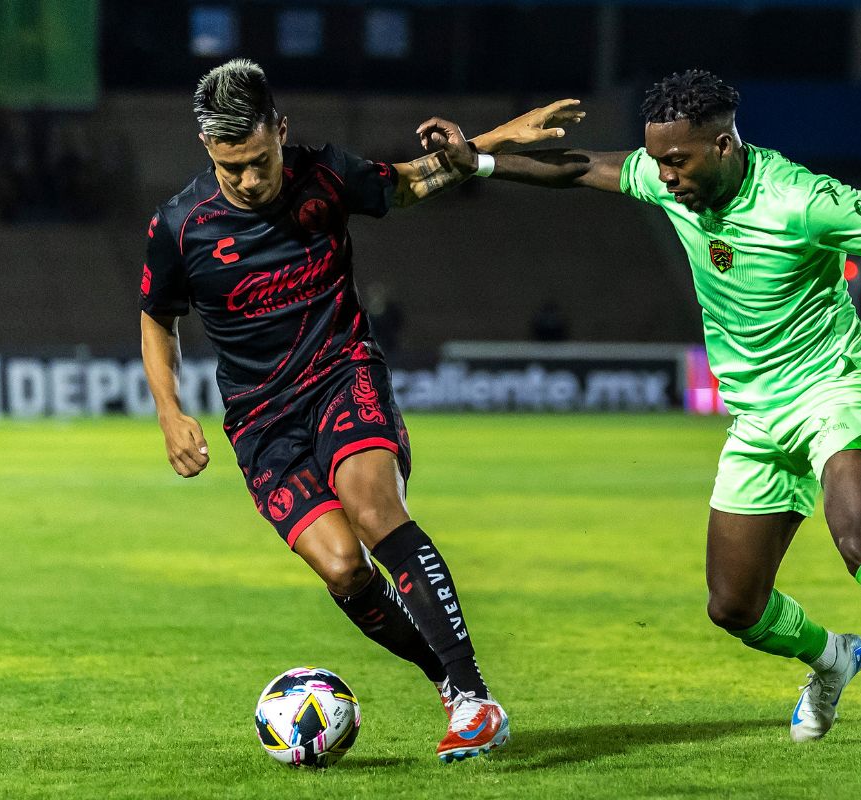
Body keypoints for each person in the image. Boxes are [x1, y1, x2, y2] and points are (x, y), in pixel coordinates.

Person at [427, 70, 861, 774]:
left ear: (725, 146)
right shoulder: (662, 175)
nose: (663, 176)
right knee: (733, 606)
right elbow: (578, 169)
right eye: (658, 160)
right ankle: (832, 658)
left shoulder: (803, 199)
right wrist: (479, 161)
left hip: (838, 389)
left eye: (678, 160)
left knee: (859, 534)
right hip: (758, 417)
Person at [139, 58, 581, 763]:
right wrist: (168, 411)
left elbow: (410, 181)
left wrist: (496, 139)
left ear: (281, 131)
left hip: (344, 373)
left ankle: (475, 699)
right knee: (344, 569)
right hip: (262, 423)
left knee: (374, 509)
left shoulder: (326, 176)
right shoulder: (181, 226)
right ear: (206, 150)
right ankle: (445, 678)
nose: (251, 181)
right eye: (232, 168)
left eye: (259, 161)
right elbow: (157, 318)